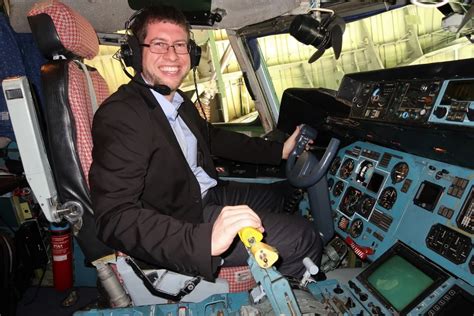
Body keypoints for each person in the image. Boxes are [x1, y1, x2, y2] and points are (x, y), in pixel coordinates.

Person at [89, 5, 322, 282]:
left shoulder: (178, 100)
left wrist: (279, 150)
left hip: (206, 192)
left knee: (282, 195)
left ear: (193, 53)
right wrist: (204, 239)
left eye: (180, 45)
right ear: (136, 53)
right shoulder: (121, 115)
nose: (173, 56)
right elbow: (114, 218)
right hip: (182, 219)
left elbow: (213, 138)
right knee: (303, 238)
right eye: (159, 45)